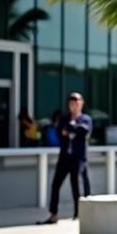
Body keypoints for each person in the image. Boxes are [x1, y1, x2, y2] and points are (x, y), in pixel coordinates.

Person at [39, 92, 93, 224]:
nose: (73, 106)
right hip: (64, 158)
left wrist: (70, 129)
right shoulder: (64, 118)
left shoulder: (86, 119)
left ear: (81, 104)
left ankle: (78, 214)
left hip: (78, 158)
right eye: (71, 103)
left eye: (76, 103)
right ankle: (53, 215)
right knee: (55, 185)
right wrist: (72, 129)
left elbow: (84, 131)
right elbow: (60, 132)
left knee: (77, 187)